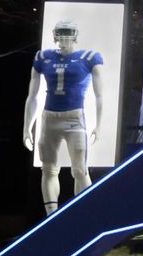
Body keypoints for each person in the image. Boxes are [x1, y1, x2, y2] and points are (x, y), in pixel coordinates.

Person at [22, 19, 104, 215]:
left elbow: (100, 95)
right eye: (61, 33)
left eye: (67, 33)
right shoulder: (43, 57)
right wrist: (27, 127)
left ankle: (82, 215)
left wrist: (99, 125)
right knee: (48, 169)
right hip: (48, 118)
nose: (64, 37)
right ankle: (52, 216)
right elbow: (32, 96)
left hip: (74, 118)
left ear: (75, 35)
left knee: (80, 170)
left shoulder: (89, 57)